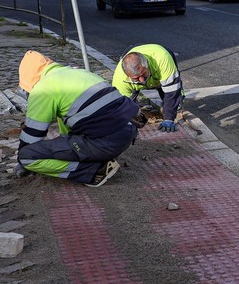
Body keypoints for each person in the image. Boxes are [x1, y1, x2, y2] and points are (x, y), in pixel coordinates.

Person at [16, 50, 140, 186]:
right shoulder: (78, 73)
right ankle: (99, 156)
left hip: (106, 143)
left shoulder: (43, 89)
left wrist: (22, 162)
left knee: (27, 156)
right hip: (128, 131)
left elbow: (32, 135)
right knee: (68, 141)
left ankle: (94, 171)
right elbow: (70, 124)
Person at [112, 44, 184, 133]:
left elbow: (172, 92)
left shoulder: (163, 60)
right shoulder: (120, 78)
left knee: (172, 100)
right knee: (129, 107)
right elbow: (122, 105)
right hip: (134, 83)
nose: (141, 80)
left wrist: (169, 118)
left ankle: (172, 108)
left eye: (143, 75)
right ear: (127, 74)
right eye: (136, 78)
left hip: (160, 62)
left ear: (147, 65)